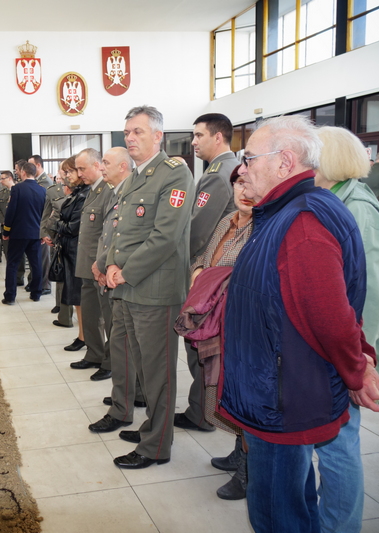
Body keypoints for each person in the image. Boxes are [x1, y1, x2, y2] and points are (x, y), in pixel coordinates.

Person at [218, 115, 379, 532]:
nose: (242, 168)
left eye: (250, 157)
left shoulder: (302, 222)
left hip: (280, 397)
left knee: (277, 511)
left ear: (284, 162)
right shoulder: (286, 211)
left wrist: (356, 368)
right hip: (278, 388)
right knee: (293, 498)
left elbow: (330, 315)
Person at [314, 126, 379, 533]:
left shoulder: (359, 209)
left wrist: (356, 361)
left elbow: (376, 296)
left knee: (339, 447)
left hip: (348, 354)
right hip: (332, 346)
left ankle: (338, 527)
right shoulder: (331, 200)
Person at [106, 105, 194, 469]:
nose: (130, 138)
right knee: (141, 367)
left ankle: (156, 446)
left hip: (155, 290)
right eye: (127, 132)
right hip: (128, 287)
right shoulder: (135, 177)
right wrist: (112, 263)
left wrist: (125, 271)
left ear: (158, 136)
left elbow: (165, 237)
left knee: (158, 373)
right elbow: (122, 231)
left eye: (138, 132)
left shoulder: (174, 174)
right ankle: (152, 427)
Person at [184, 166, 255, 500]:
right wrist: (200, 270)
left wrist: (213, 277)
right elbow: (204, 255)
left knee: (239, 391)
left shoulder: (264, 227)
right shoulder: (227, 221)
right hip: (213, 320)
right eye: (238, 183)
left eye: (249, 183)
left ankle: (248, 470)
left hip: (240, 323)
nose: (243, 190)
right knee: (218, 386)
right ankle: (239, 450)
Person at [175, 113, 239, 434]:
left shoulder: (218, 173)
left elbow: (198, 229)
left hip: (209, 268)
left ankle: (201, 413)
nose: (194, 142)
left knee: (199, 344)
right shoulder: (226, 168)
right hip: (218, 267)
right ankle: (204, 409)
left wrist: (177, 260)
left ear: (218, 137)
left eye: (200, 135)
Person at [88, 147, 148, 433]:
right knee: (123, 345)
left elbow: (130, 239)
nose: (102, 168)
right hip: (112, 273)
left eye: (107, 163)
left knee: (130, 346)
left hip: (127, 278)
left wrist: (105, 265)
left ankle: (128, 401)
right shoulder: (116, 192)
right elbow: (109, 235)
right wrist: (101, 264)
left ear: (123, 166)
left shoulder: (134, 191)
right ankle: (125, 399)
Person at [70, 148, 113, 379]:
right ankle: (94, 354)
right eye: (77, 168)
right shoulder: (92, 191)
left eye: (82, 168)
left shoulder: (108, 192)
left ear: (97, 166)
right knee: (89, 312)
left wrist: (102, 264)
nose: (79, 173)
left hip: (100, 267)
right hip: (86, 265)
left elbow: (108, 233)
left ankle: (109, 362)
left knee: (107, 317)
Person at [54, 157, 88, 351]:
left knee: (81, 299)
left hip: (78, 252)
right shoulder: (77, 193)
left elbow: (72, 226)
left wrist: (57, 224)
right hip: (71, 252)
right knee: (77, 299)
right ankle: (82, 335)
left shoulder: (84, 195)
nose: (67, 176)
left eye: (69, 172)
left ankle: (85, 337)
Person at [2, 162, 46, 305]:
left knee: (13, 264)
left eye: (19, 172)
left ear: (24, 173)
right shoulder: (42, 190)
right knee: (36, 264)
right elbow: (44, 214)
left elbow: (11, 212)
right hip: (35, 234)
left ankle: (10, 296)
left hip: (18, 234)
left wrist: (6, 230)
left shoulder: (17, 189)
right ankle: (36, 293)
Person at [41, 164, 73, 322]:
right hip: (58, 240)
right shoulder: (52, 190)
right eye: (62, 173)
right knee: (60, 275)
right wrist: (45, 234)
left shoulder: (84, 191)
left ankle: (67, 314)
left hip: (70, 241)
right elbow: (47, 214)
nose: (64, 177)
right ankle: (60, 305)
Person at [28, 155, 53, 295]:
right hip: (37, 223)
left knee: (43, 257)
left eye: (31, 165)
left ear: (38, 165)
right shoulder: (38, 181)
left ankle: (45, 285)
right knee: (37, 257)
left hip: (43, 224)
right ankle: (36, 282)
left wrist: (45, 230)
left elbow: (48, 207)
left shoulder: (45, 182)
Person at [0, 171, 15, 261]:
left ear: (10, 178)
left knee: (18, 252)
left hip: (16, 226)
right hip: (5, 226)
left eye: (2, 179)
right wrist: (3, 221)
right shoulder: (2, 192)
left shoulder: (18, 190)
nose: (1, 181)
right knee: (7, 251)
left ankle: (19, 274)